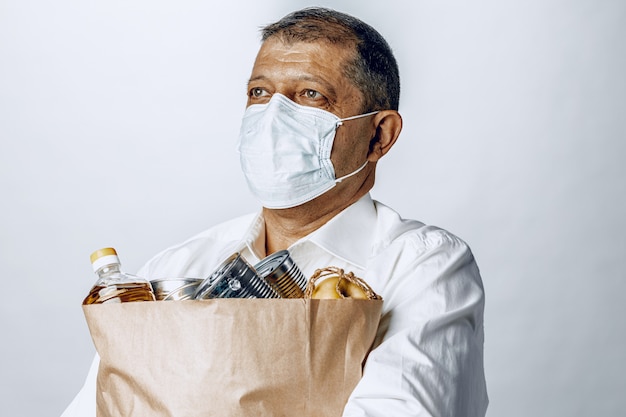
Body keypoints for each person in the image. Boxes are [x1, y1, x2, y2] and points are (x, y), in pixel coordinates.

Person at [62, 7, 488, 417]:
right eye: (259, 93)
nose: (271, 117)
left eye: (310, 95)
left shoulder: (420, 267)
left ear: (379, 135)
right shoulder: (176, 267)